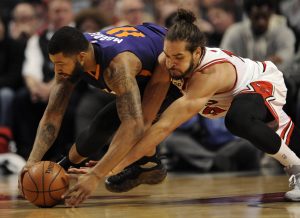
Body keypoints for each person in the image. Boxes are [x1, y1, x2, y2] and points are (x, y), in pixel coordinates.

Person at [97, 9, 300, 205]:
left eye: (178, 58)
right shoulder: (166, 62)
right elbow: (148, 120)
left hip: (261, 81)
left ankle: (297, 168)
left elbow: (164, 127)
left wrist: (112, 167)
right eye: (168, 55)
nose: (170, 63)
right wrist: (110, 160)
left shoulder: (210, 73)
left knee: (238, 120)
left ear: (197, 53)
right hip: (224, 100)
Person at [19, 22, 181, 205]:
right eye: (54, 63)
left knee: (136, 122)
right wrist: (31, 162)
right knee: (100, 125)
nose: (57, 71)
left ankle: (149, 165)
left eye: (60, 64)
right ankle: (65, 167)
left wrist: (96, 175)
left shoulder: (117, 68)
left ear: (81, 58)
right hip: (146, 53)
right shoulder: (75, 50)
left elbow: (134, 126)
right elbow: (52, 116)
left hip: (174, 67)